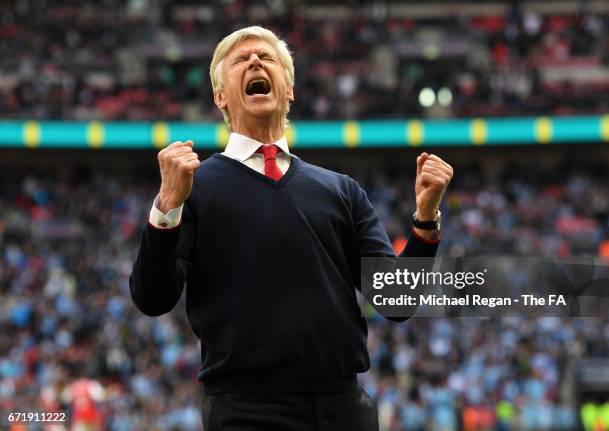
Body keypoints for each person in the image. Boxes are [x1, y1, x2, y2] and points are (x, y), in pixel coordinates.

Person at [129, 26, 453, 431]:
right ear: (220, 97)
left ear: (290, 90)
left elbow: (396, 301)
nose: (254, 61)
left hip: (343, 406)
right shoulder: (193, 188)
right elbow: (152, 298)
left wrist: (425, 220)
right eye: (240, 59)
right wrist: (167, 205)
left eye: (267, 57)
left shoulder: (342, 190)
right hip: (246, 410)